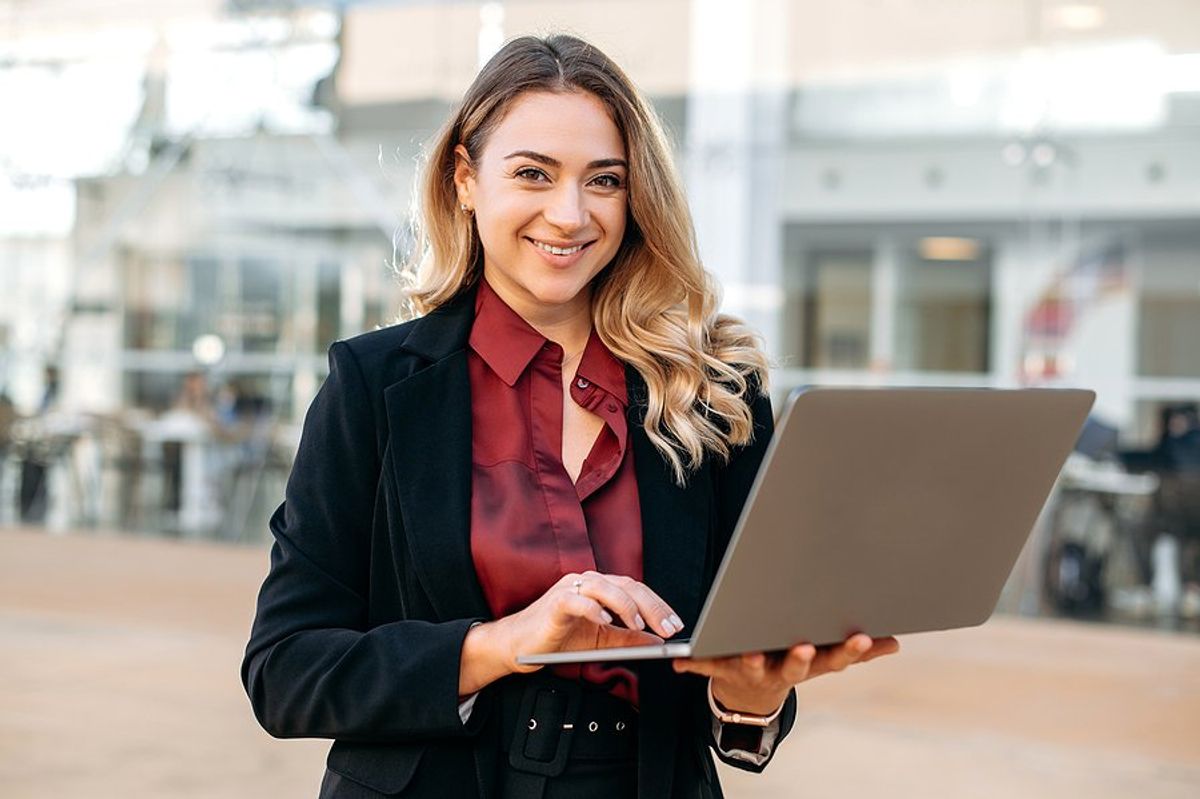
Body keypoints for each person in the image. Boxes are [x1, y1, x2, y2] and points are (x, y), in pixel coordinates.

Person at [242, 34, 899, 799]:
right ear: (465, 179)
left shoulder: (712, 389)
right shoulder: (373, 385)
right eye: (533, 173)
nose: (569, 214)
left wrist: (750, 695)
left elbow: (739, 676)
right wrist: (500, 643)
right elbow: (284, 669)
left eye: (604, 180)